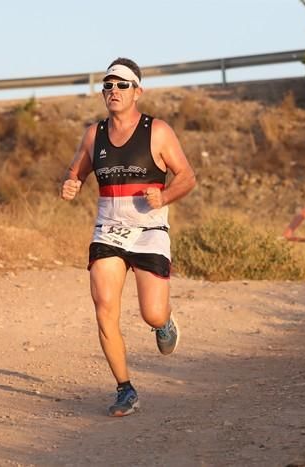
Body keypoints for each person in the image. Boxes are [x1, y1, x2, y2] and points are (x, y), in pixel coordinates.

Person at [60, 57, 196, 416]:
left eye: (122, 85)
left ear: (138, 91)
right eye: (108, 85)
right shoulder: (95, 134)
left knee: (151, 314)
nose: (113, 91)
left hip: (149, 231)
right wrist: (71, 183)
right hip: (108, 232)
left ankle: (164, 322)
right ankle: (125, 389)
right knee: (105, 309)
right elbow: (76, 170)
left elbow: (187, 177)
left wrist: (164, 196)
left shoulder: (159, 131)